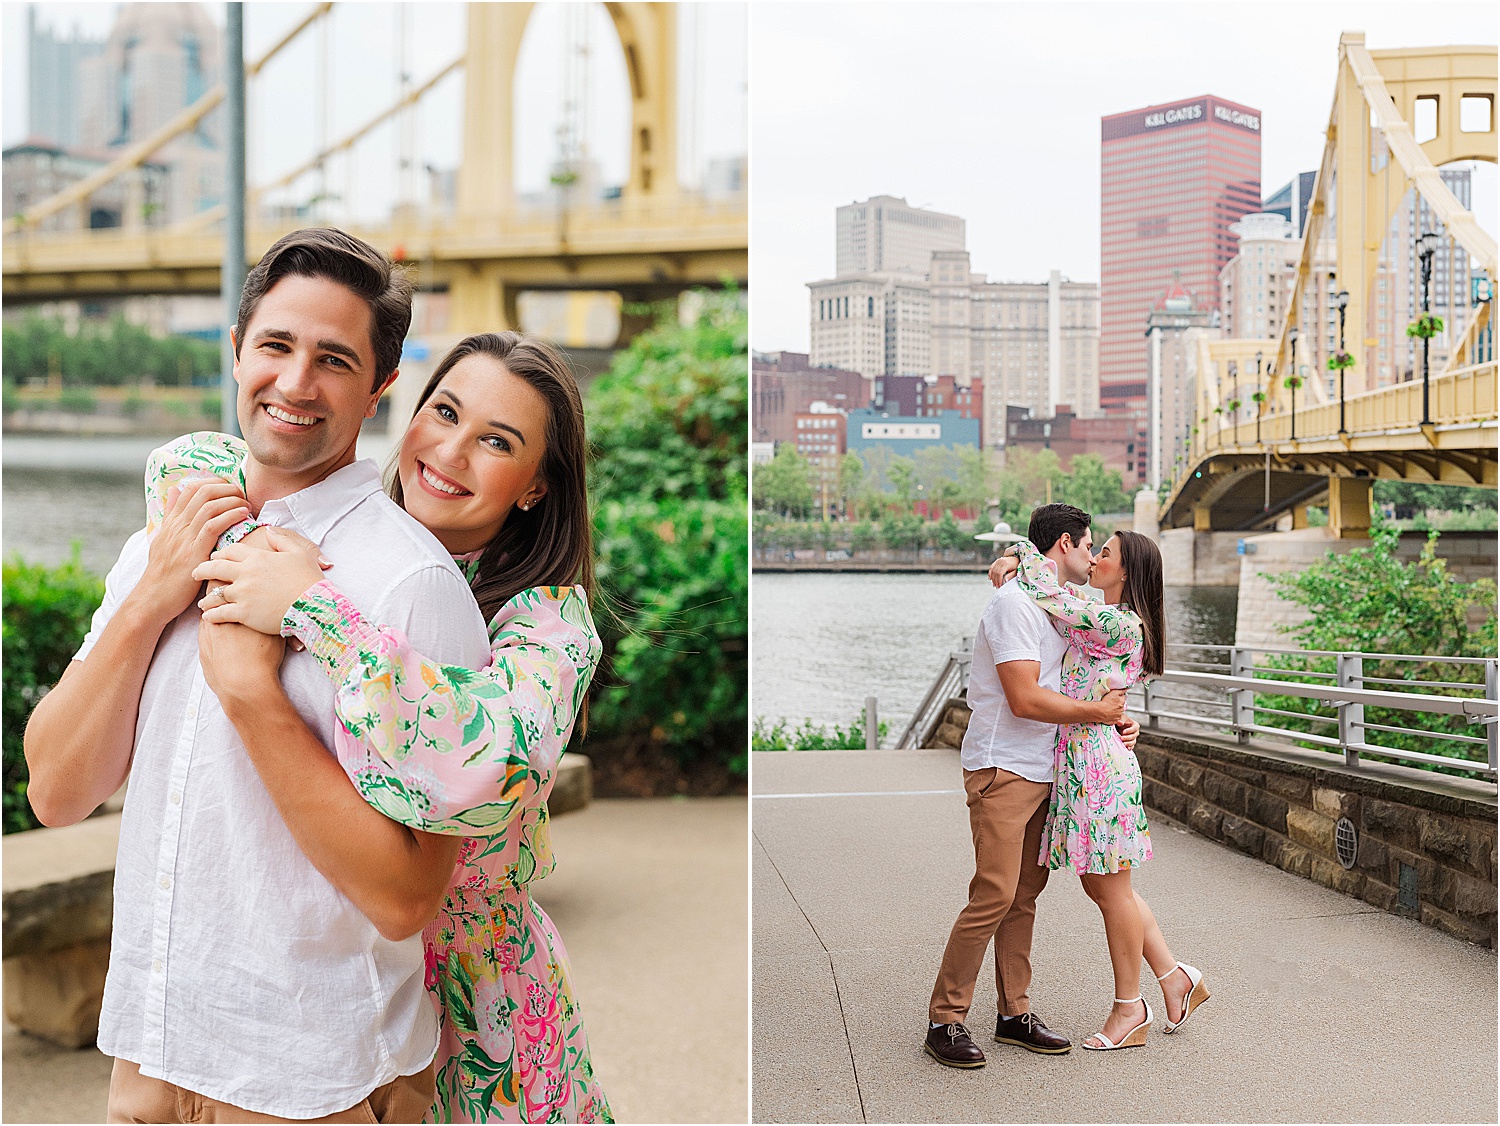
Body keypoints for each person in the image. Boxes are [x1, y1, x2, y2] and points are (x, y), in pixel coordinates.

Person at [24, 228, 493, 1122]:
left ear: (379, 388)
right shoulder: (162, 541)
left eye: (334, 359)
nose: (295, 383)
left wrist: (254, 695)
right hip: (149, 1062)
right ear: (236, 351)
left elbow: (406, 896)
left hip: (311, 1081)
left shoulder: (410, 584)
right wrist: (151, 599)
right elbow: (55, 788)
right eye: (275, 346)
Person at [148, 331, 611, 1123]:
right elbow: (182, 460)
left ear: (536, 486)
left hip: (473, 999)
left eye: (496, 441)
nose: (452, 452)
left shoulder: (549, 624)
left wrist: (314, 611)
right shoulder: (339, 539)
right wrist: (258, 551)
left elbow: (490, 767)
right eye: (444, 413)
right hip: (320, 978)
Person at [924, 503, 1139, 1069]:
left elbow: (1082, 676)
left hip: (1046, 767)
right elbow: (1023, 697)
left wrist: (1118, 719)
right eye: (1089, 546)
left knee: (1024, 896)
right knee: (994, 892)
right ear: (1064, 543)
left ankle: (1013, 1014)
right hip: (1003, 767)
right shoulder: (1013, 604)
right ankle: (945, 1019)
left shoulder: (1058, 607)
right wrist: (1095, 712)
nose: (1093, 558)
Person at [992, 525, 1209, 1052]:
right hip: (1088, 758)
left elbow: (1047, 591)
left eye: (1105, 553)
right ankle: (1174, 976)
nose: (1095, 559)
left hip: (1098, 768)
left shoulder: (1116, 622)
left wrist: (1013, 555)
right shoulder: (1103, 620)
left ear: (1126, 570)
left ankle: (1130, 1008)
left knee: (1110, 890)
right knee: (1108, 887)